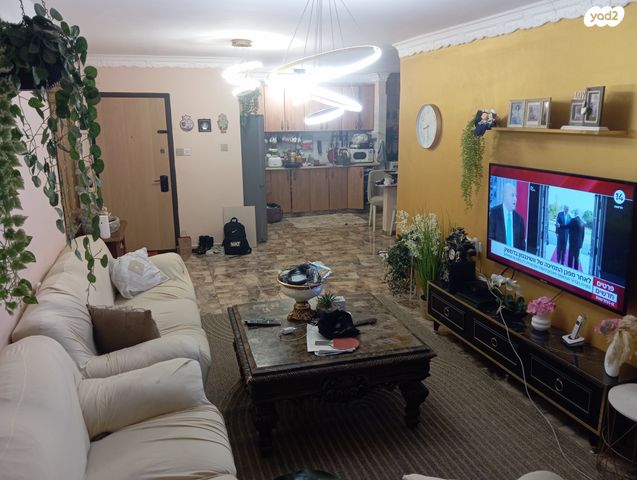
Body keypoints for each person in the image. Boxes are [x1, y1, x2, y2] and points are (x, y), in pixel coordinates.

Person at [488, 182, 526, 250]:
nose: (515, 199)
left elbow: (522, 245)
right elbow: (490, 239)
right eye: (512, 195)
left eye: (516, 195)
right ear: (505, 196)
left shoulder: (520, 220)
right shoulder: (494, 213)